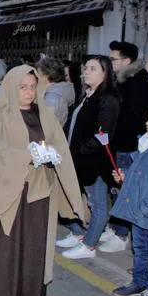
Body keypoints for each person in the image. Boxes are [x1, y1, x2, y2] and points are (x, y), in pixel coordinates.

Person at [0, 65, 84, 296]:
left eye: (32, 87)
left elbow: (58, 144)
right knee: (5, 248)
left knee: (33, 247)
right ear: (11, 87)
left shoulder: (44, 114)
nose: (29, 92)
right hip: (6, 194)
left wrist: (52, 154)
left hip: (39, 194)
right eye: (23, 87)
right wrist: (26, 155)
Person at [58, 55, 121, 259]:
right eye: (86, 68)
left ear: (106, 72)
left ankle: (89, 245)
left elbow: (104, 135)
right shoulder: (87, 94)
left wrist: (80, 150)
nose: (86, 71)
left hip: (95, 161)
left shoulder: (108, 98)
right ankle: (78, 234)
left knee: (97, 203)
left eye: (93, 68)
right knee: (80, 198)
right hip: (78, 158)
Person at [99, 41, 148, 253]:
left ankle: (122, 235)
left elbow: (138, 120)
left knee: (125, 190)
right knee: (116, 188)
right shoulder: (122, 82)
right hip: (119, 144)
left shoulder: (138, 84)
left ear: (127, 61)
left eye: (113, 59)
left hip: (130, 146)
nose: (110, 63)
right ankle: (116, 228)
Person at [109, 105, 148, 296]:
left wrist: (146, 209)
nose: (147, 122)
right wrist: (125, 176)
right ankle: (139, 282)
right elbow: (141, 176)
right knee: (140, 249)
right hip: (140, 213)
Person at [36, 57, 76, 126]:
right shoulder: (58, 91)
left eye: (38, 73)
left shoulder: (51, 98)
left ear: (46, 76)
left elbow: (44, 126)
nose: (36, 76)